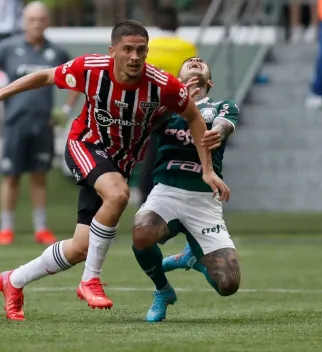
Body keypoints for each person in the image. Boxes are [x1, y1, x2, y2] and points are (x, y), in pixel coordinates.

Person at [0, 20, 230, 321]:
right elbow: (44, 76)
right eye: (127, 50)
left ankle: (13, 280)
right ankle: (89, 280)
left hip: (117, 163)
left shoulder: (162, 85)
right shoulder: (91, 69)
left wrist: (207, 170)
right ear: (113, 51)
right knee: (119, 194)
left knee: (81, 246)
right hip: (85, 145)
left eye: (141, 50)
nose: (135, 57)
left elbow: (194, 117)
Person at [132, 57, 240, 322]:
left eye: (200, 62)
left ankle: (190, 258)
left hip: (204, 199)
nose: (195, 62)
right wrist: (177, 101)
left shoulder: (223, 106)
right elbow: (146, 125)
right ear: (177, 78)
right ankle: (163, 290)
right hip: (167, 191)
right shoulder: (162, 106)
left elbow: (224, 125)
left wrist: (218, 131)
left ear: (209, 81)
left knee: (228, 284)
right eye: (189, 62)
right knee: (142, 232)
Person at [0, 1, 79, 246]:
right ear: (24, 22)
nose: (36, 24)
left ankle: (41, 228)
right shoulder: (7, 47)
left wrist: (65, 109)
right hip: (14, 122)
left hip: (43, 123)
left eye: (41, 19)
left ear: (47, 22)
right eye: (32, 19)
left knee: (39, 176)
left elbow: (75, 79)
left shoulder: (57, 52)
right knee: (11, 176)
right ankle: (6, 229)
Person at [139, 5, 198, 204]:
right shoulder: (187, 47)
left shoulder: (149, 47)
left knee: (150, 157)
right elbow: (193, 79)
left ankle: (145, 201)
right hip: (177, 110)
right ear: (177, 25)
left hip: (150, 109)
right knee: (178, 158)